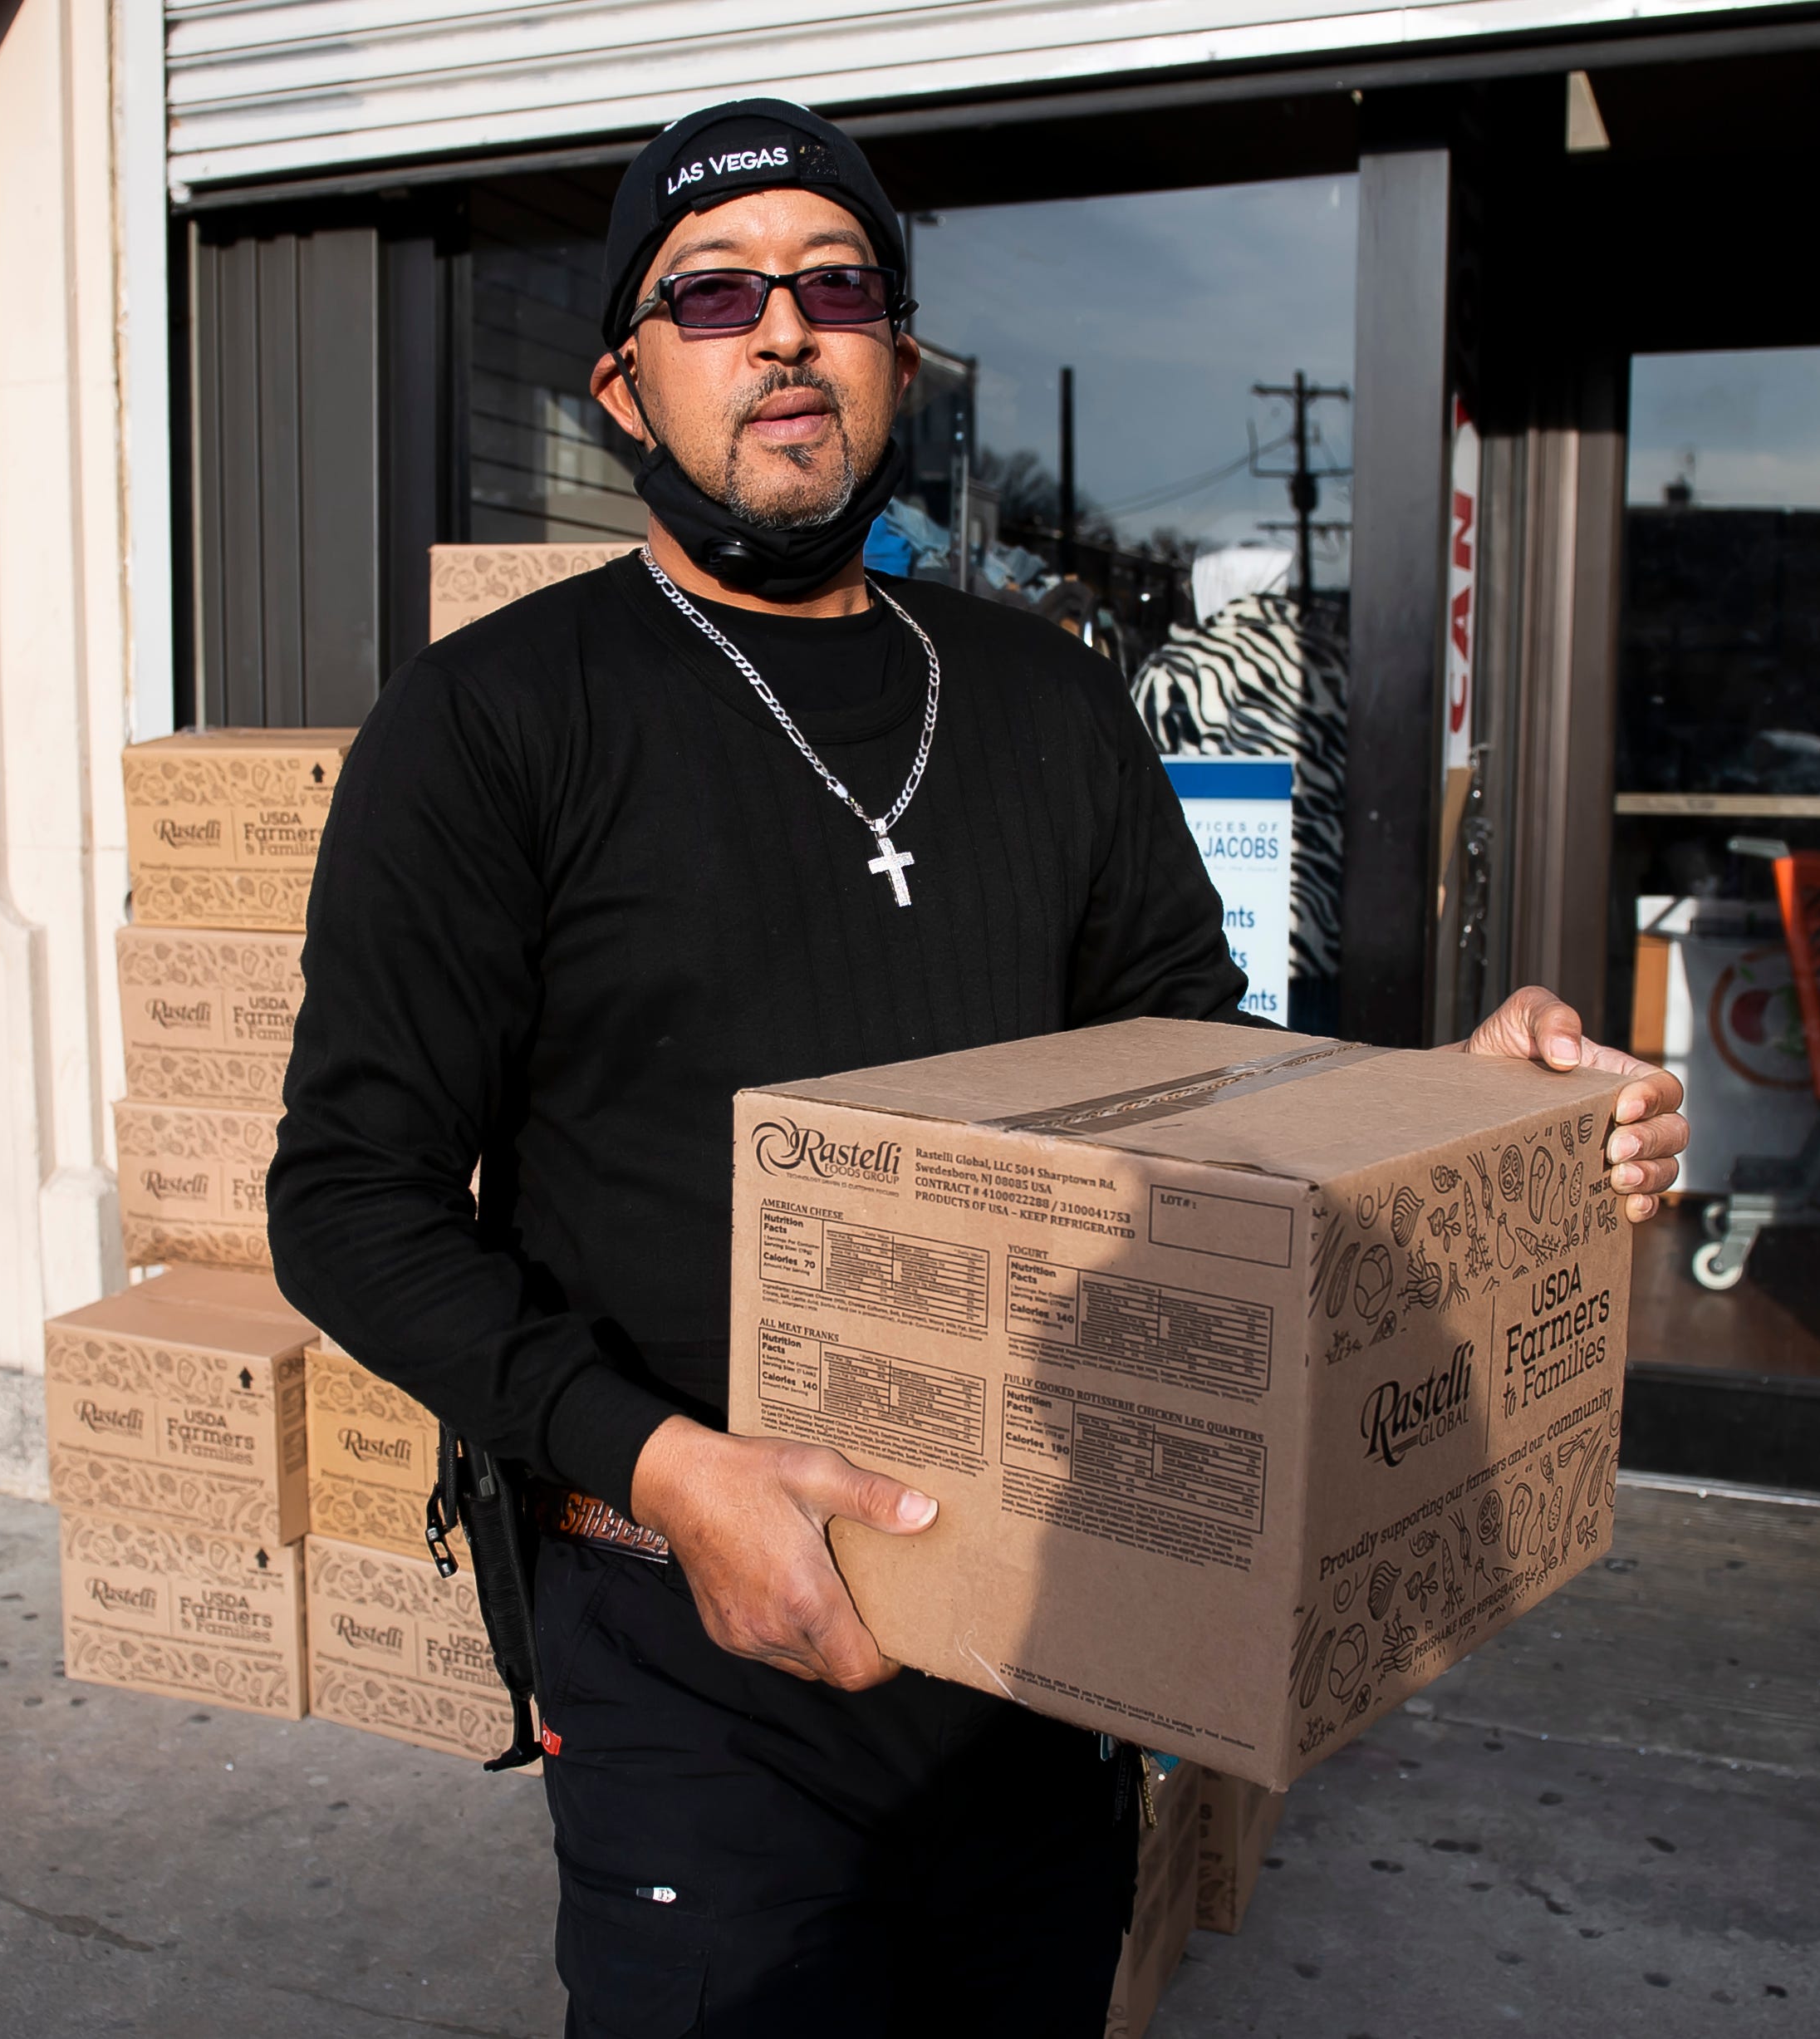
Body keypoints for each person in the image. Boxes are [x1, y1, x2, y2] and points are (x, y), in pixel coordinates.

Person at [266, 98, 1688, 2039]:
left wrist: (1455, 1109)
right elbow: (343, 1202)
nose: (782, 328)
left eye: (832, 282)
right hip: (696, 1638)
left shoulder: (1040, 698)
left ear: (896, 355)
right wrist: (668, 1470)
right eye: (713, 294)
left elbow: (1202, 1091)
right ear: (618, 384)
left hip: (1051, 1612)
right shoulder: (495, 721)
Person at [1131, 544, 1351, 1033]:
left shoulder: (1174, 672)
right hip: (1321, 929)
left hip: (1219, 941)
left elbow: (1133, 802)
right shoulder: (1330, 664)